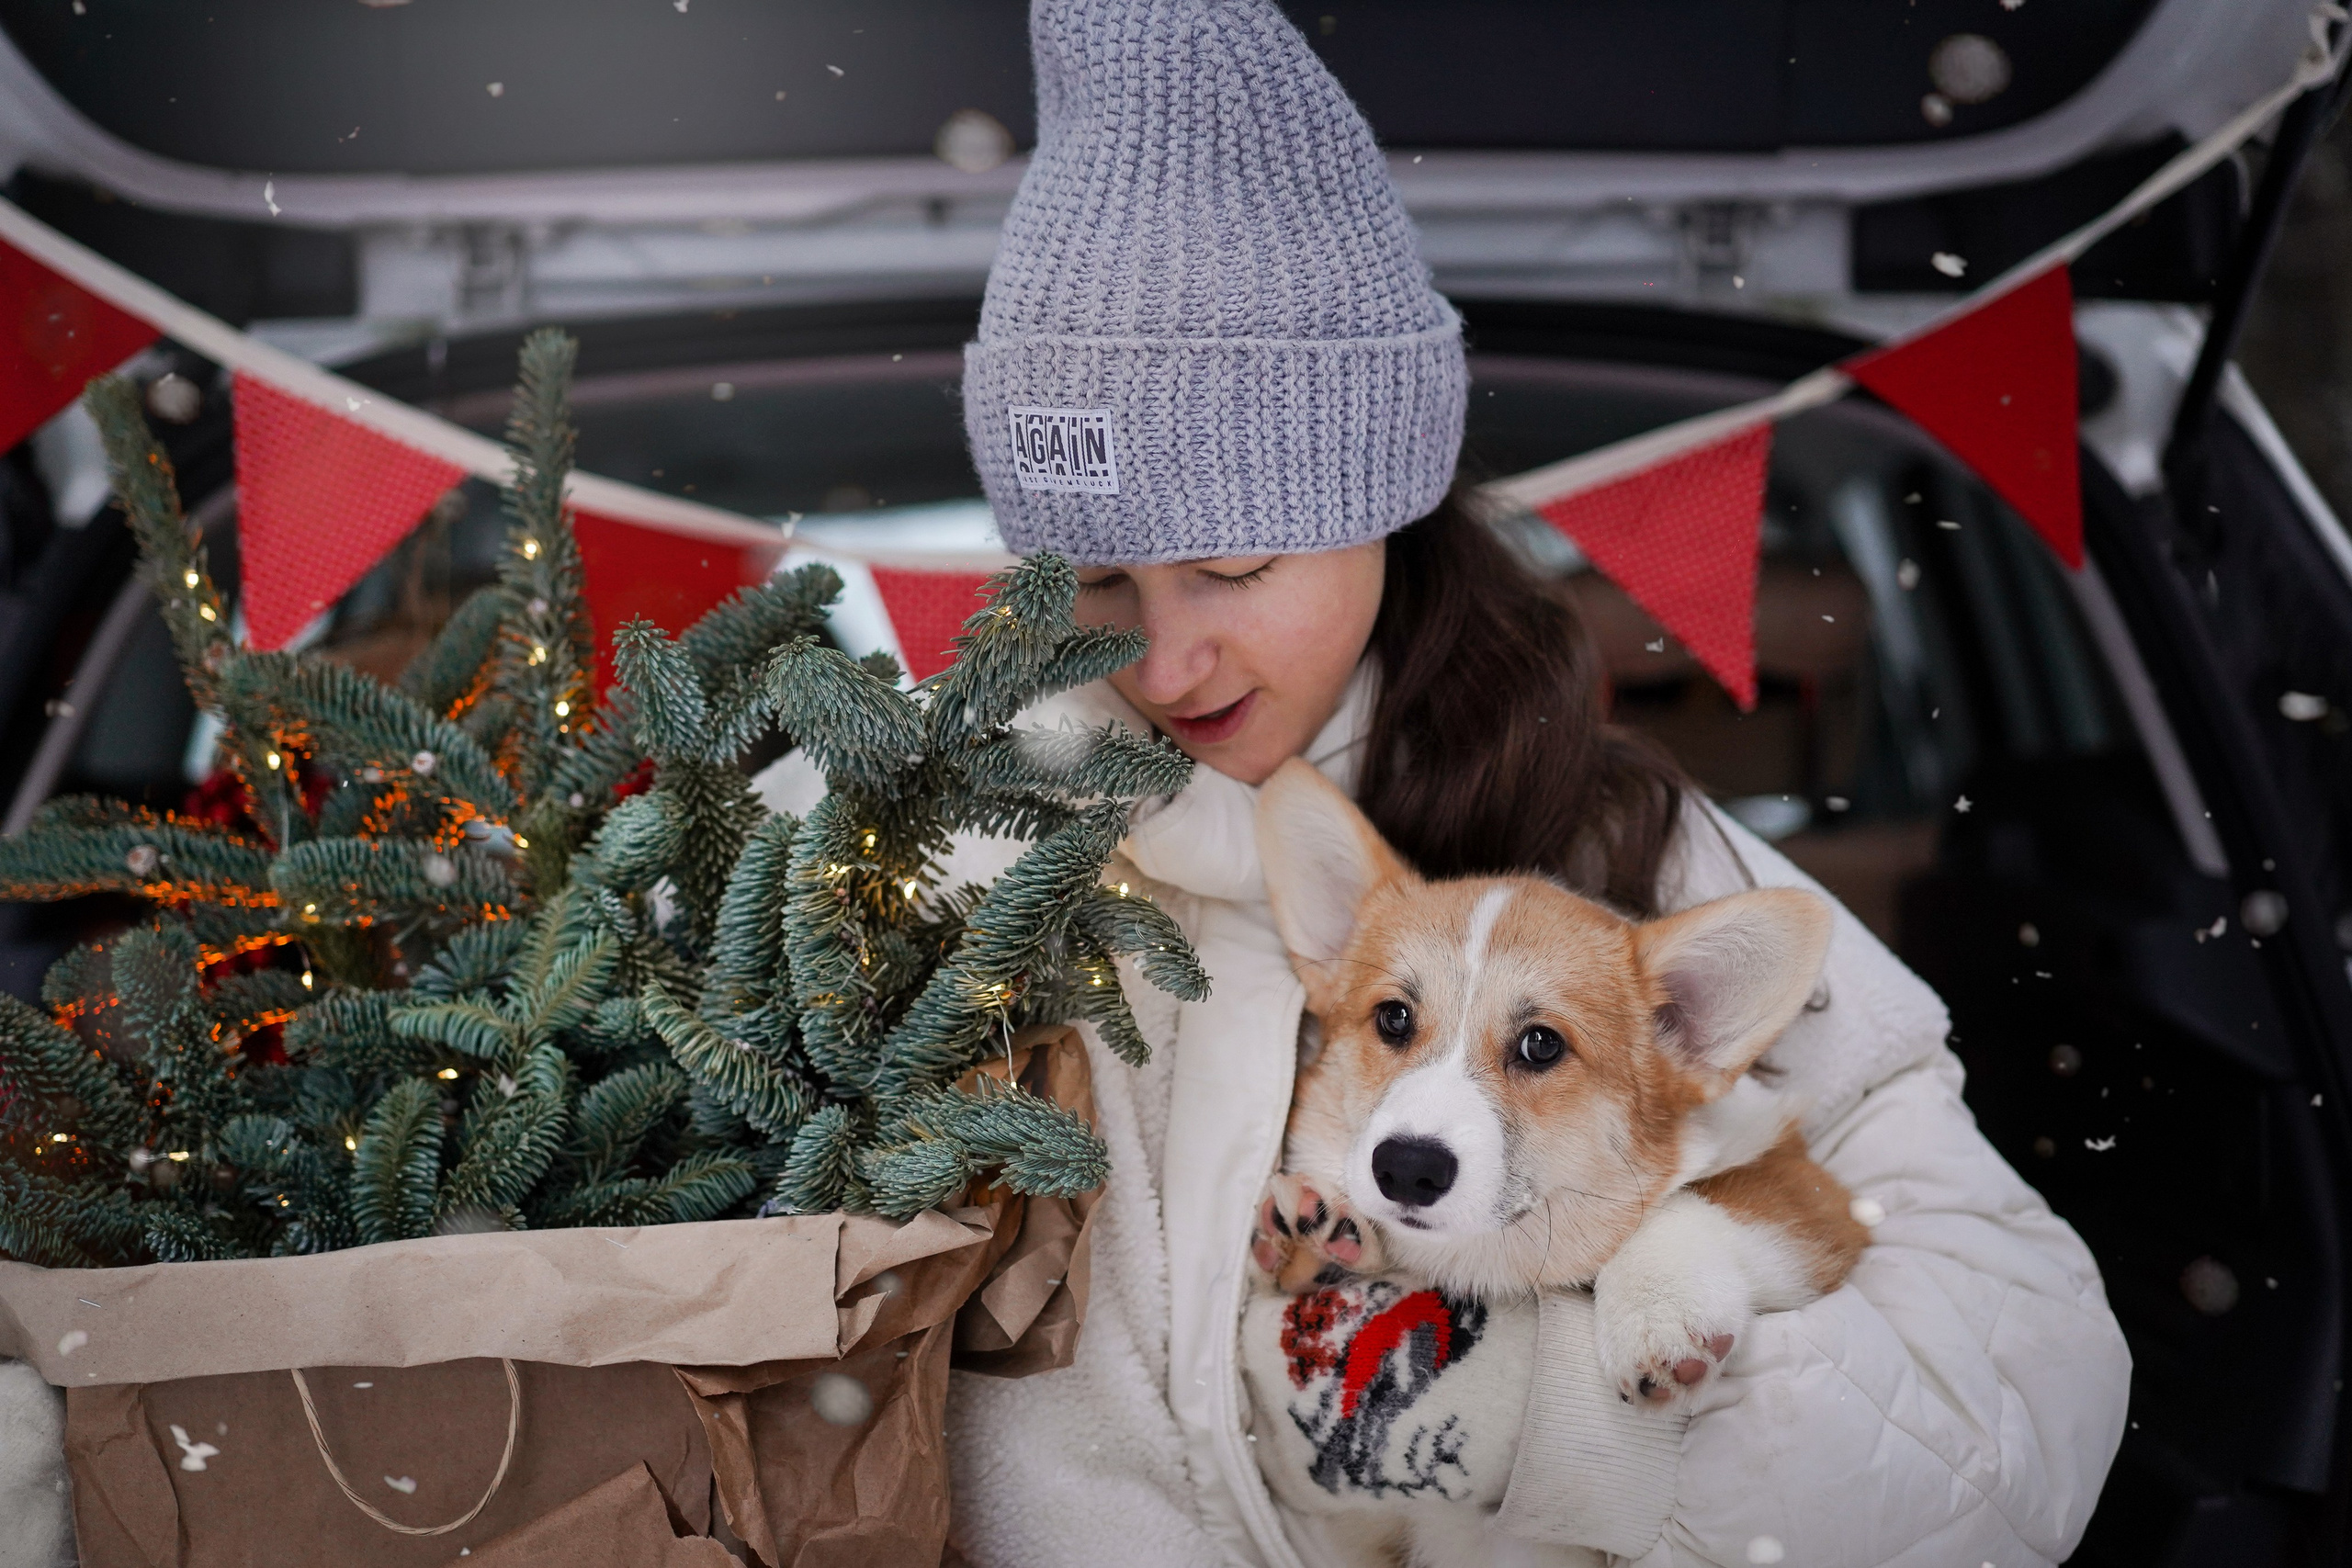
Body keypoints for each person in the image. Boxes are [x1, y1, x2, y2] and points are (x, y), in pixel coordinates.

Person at [880, 2, 2135, 1565]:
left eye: (1233, 565)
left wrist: (1546, 1405)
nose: (1168, 660)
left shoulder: (1618, 855)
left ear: (1383, 508)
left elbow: (2029, 1397)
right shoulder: (918, 858)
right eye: (1100, 581)